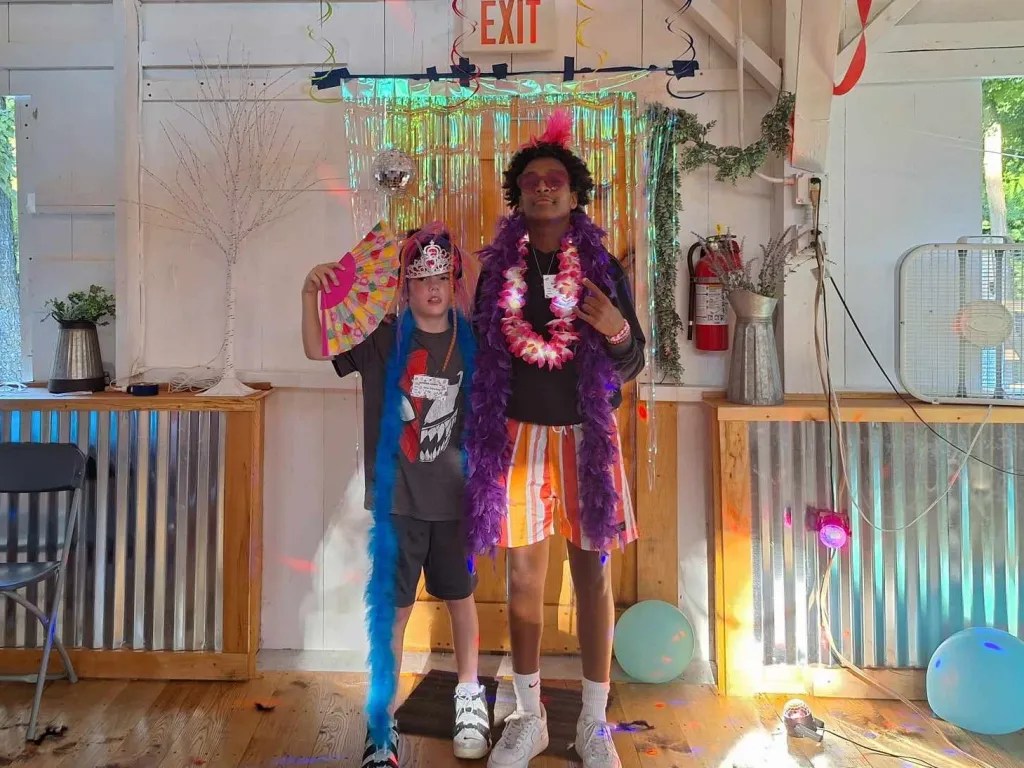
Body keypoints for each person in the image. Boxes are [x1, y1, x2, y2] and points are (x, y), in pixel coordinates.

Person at [466, 111, 645, 768]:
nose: (544, 188)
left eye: (556, 180)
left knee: (592, 576)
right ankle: (529, 716)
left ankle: (593, 723)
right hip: (515, 438)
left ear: (574, 194)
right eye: (532, 180)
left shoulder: (600, 267)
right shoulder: (497, 272)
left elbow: (633, 359)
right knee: (522, 577)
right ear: (518, 194)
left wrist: (616, 326)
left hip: (587, 438)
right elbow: (480, 358)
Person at [301, 223, 490, 768]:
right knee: (394, 613)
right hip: (398, 503)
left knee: (461, 601)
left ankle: (469, 697)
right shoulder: (383, 339)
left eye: (442, 277)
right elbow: (315, 348)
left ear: (454, 283)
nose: (432, 287)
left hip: (456, 503)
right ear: (404, 286)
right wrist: (310, 292)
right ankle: (380, 725)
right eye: (421, 278)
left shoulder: (472, 341)